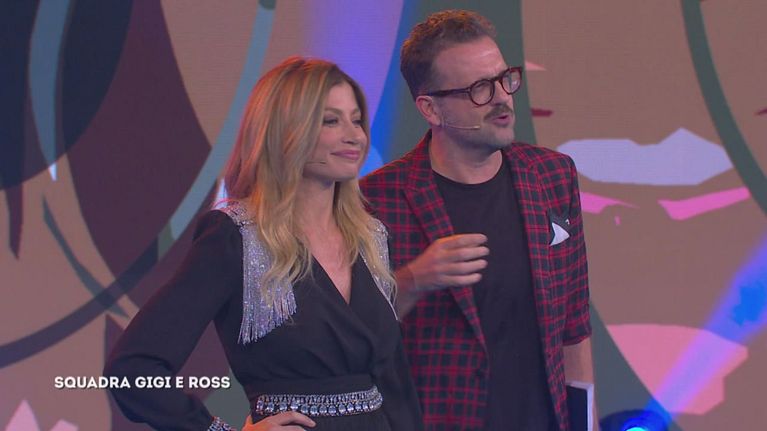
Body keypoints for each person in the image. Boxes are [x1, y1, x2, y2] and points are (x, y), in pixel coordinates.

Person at [104, 57, 423, 431]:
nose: (355, 135)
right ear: (284, 132)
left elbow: (395, 382)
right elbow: (132, 370)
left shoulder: (371, 238)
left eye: (356, 120)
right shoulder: (236, 236)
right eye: (330, 121)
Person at [360, 10, 594, 431]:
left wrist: (586, 424)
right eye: (480, 89)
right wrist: (413, 279)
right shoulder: (376, 199)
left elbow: (574, 328)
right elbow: (352, 340)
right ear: (431, 109)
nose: (503, 98)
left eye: (505, 79)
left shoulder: (553, 177)